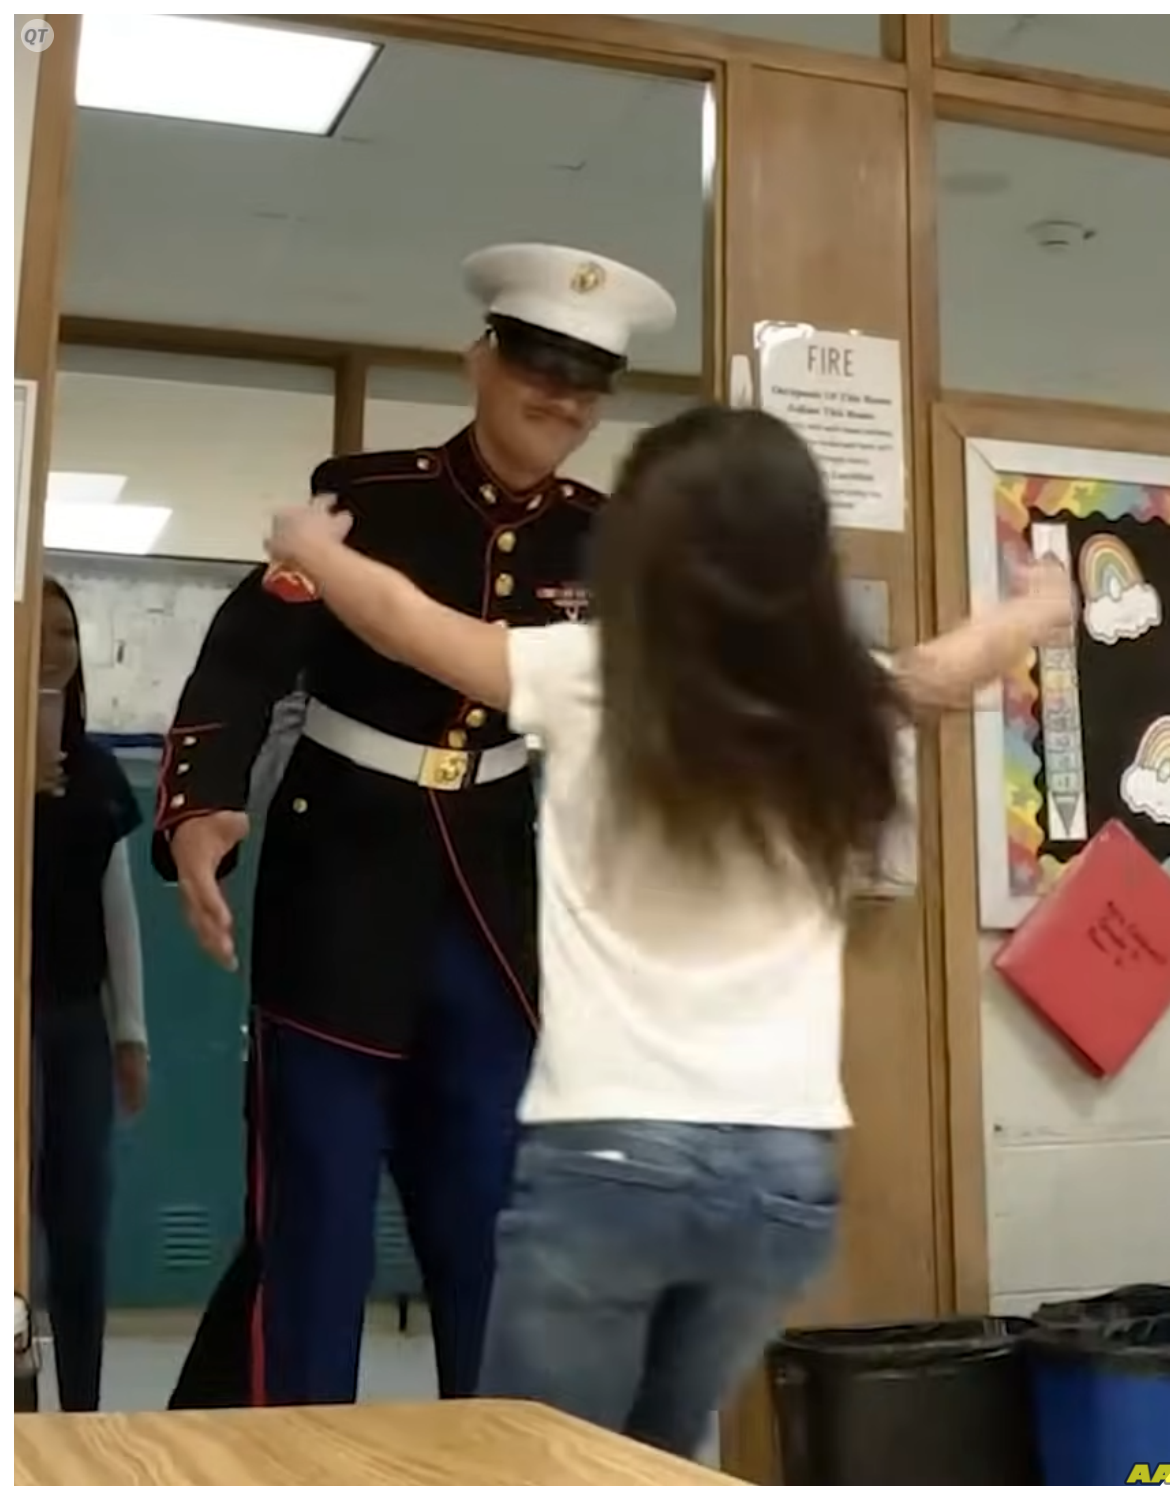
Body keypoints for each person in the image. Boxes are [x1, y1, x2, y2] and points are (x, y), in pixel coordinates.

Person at [265, 403, 1076, 1457]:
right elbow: (948, 666)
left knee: (538, 1465)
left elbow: (410, 629)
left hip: (613, 1154)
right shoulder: (835, 689)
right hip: (781, 1176)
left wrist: (313, 551)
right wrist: (1036, 608)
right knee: (658, 1463)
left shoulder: (597, 669)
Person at [154, 244, 676, 1409]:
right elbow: (248, 657)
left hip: (494, 899)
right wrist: (203, 809)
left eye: (591, 380)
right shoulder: (369, 498)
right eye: (540, 364)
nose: (564, 399)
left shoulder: (608, 537)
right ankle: (290, 1470)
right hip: (343, 883)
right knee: (320, 1224)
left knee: (492, 1220)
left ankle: (496, 1471)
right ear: (479, 359)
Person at [32, 578, 149, 1412]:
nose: (53, 648)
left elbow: (119, 906)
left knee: (79, 1223)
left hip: (72, 1020)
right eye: (34, 633)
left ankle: (80, 1409)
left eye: (66, 634)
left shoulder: (100, 770)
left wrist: (130, 1032)